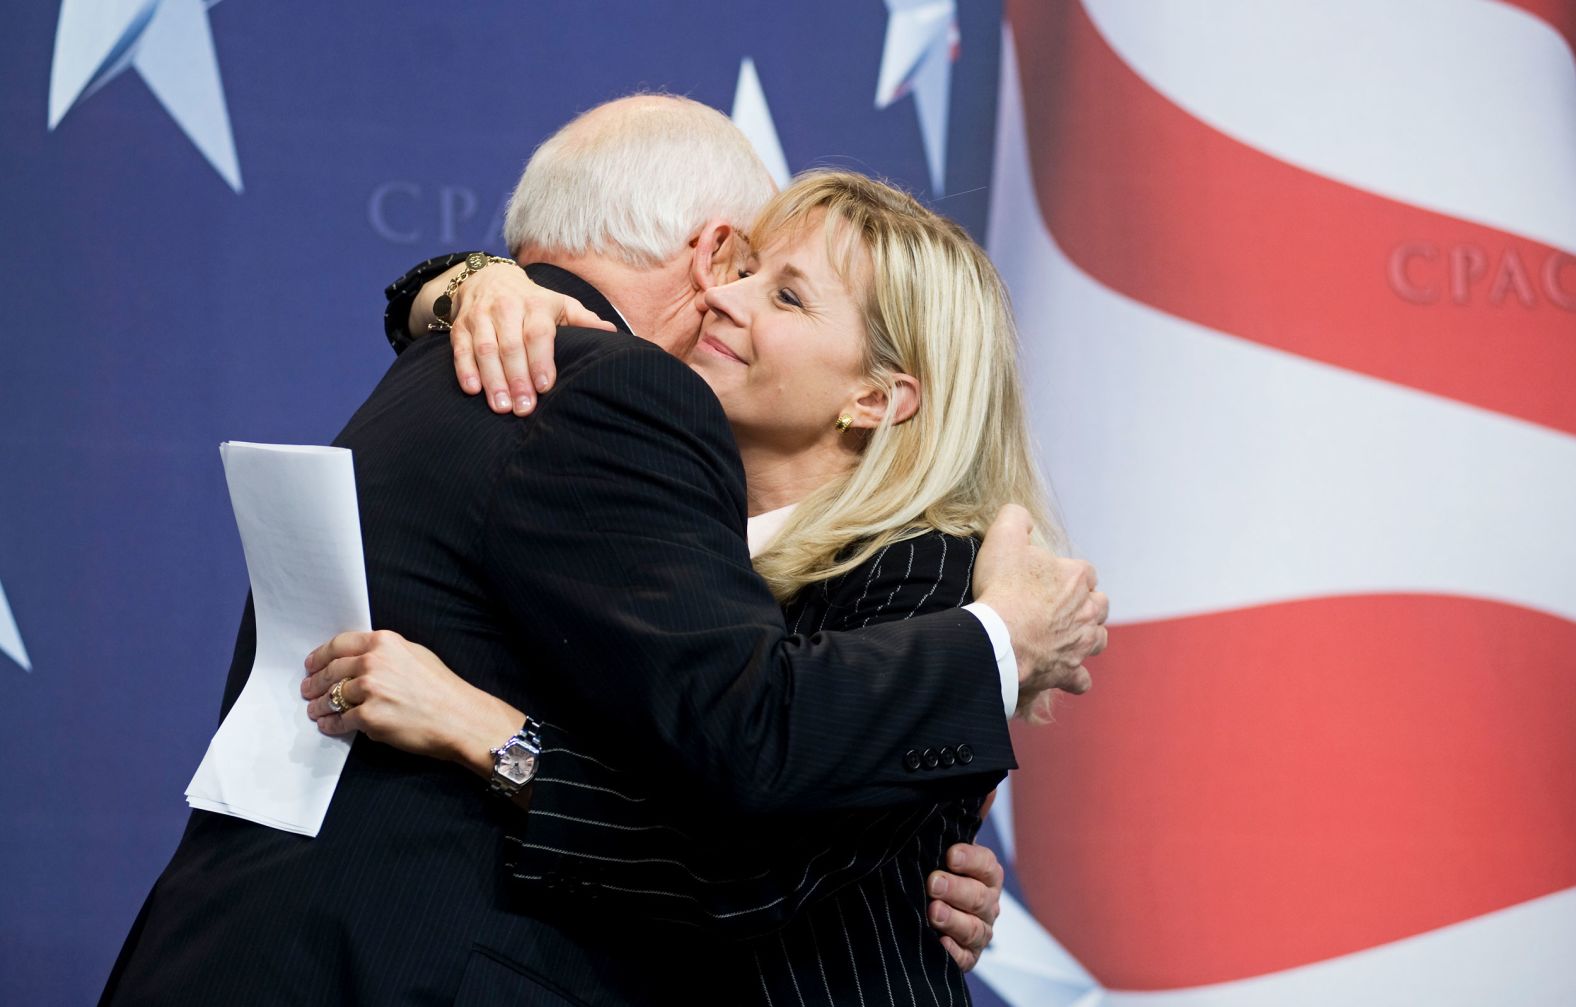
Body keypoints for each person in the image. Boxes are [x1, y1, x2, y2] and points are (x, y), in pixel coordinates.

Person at [99, 96, 1105, 1006]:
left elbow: (752, 852)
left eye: (783, 293)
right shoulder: (615, 423)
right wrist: (462, 280)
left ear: (879, 397)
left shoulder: (921, 574)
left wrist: (485, 729)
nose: (729, 299)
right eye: (743, 269)